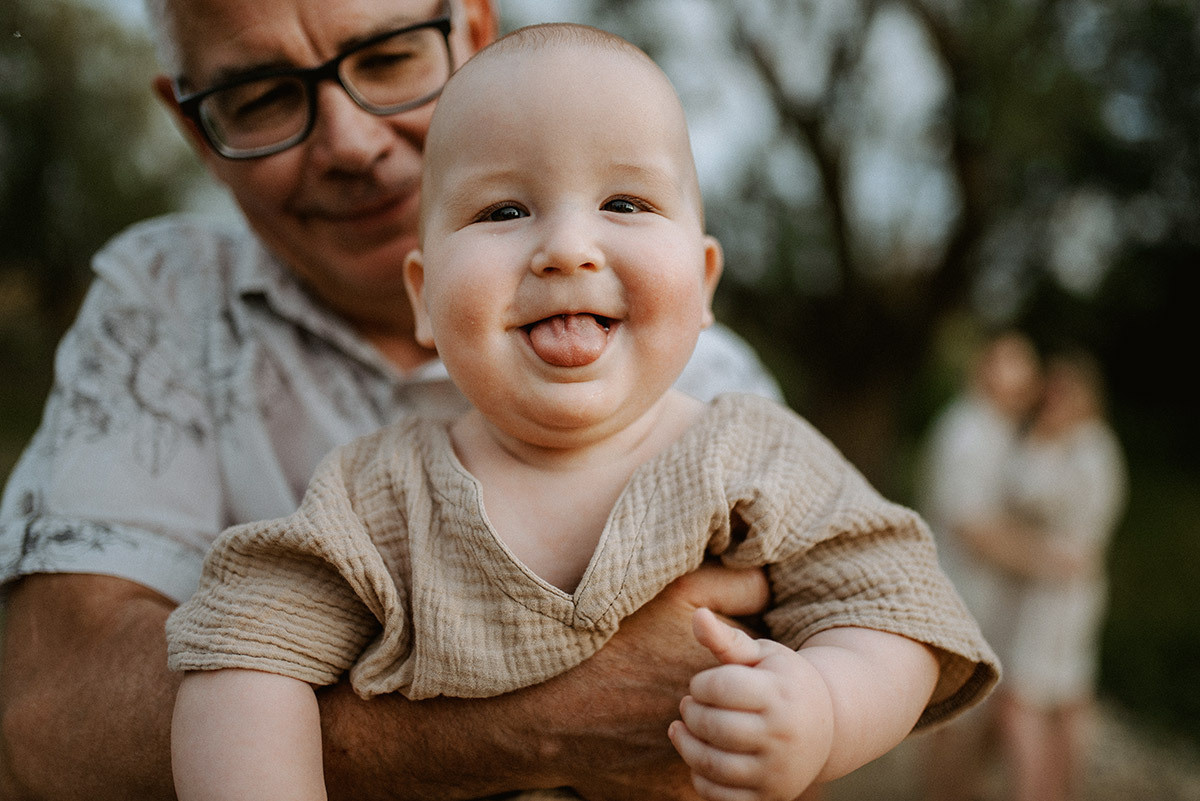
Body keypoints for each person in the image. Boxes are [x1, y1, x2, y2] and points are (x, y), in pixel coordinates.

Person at [166, 24, 999, 801]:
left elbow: (891, 607)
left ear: (704, 283)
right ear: (425, 297)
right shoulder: (376, 497)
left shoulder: (753, 455)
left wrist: (823, 708)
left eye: (626, 204)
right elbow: (241, 651)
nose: (567, 247)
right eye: (503, 211)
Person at [0, 2, 791, 800]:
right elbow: (44, 715)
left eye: (387, 58)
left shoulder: (709, 385)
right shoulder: (168, 305)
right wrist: (539, 718)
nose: (349, 143)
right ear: (193, 126)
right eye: (265, 96)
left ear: (473, 34)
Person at [972, 351, 1128, 801]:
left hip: (1062, 594)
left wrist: (1039, 437)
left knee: (1029, 699)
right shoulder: (1075, 443)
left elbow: (1032, 493)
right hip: (1049, 589)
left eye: (1063, 390)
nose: (1052, 398)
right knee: (1058, 696)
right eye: (1051, 389)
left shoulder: (1089, 446)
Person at [915, 330, 1043, 801]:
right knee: (953, 718)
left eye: (1025, 363)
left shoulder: (1003, 430)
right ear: (986, 368)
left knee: (977, 718)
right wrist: (1047, 562)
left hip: (990, 596)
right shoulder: (967, 430)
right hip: (960, 591)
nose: (1021, 374)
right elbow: (972, 526)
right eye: (1010, 362)